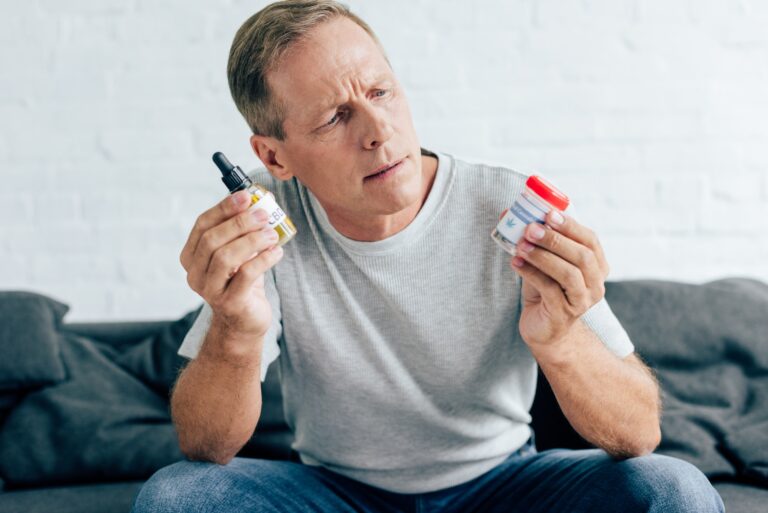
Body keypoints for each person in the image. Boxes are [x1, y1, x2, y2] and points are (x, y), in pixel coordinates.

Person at [131, 1, 724, 512]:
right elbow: (206, 447)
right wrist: (236, 330)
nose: (378, 131)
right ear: (276, 157)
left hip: (502, 485)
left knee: (671, 488)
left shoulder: (510, 208)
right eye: (336, 117)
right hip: (336, 491)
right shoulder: (266, 225)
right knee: (177, 497)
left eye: (380, 92)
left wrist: (561, 341)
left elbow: (639, 433)